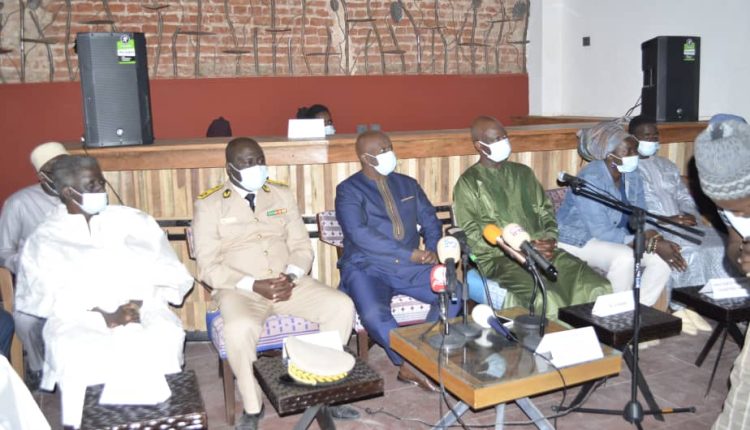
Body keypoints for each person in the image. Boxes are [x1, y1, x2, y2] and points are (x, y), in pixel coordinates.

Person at [14, 155, 194, 428]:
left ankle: (161, 419)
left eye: (101, 182)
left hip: (142, 307)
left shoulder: (134, 221)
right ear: (68, 192)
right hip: (77, 318)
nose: (101, 190)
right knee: (77, 351)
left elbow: (168, 269)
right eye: (92, 185)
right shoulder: (44, 239)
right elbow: (41, 297)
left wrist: (133, 305)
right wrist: (103, 314)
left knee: (163, 338)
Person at [192, 137, 357, 430]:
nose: (256, 166)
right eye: (247, 162)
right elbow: (208, 266)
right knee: (239, 328)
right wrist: (253, 285)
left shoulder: (280, 194)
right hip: (240, 290)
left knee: (341, 306)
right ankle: (253, 407)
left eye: (259, 160)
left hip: (288, 283)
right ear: (230, 168)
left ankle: (324, 391)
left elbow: (301, 247)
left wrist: (291, 276)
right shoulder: (210, 204)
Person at [336, 131, 459, 392]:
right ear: (365, 158)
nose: (389, 153)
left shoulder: (408, 184)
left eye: (389, 147)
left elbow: (430, 220)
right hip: (366, 266)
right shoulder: (348, 190)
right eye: (382, 150)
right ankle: (408, 363)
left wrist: (433, 250)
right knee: (374, 315)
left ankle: (421, 356)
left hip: (408, 267)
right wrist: (410, 254)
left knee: (454, 292)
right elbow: (359, 233)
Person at [453, 116, 611, 318]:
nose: (503, 142)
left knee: (598, 286)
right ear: (479, 146)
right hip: (501, 259)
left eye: (504, 137)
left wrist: (550, 239)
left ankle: (594, 337)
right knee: (547, 299)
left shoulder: (523, 173)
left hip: (544, 252)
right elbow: (472, 236)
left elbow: (546, 211)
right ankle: (556, 339)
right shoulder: (468, 183)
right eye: (495, 139)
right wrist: (516, 249)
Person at [556, 121, 673, 306]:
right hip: (579, 239)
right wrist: (643, 242)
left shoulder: (632, 174)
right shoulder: (591, 178)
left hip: (613, 237)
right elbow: (600, 231)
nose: (635, 155)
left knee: (662, 260)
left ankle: (638, 310)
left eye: (635, 150)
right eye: (628, 151)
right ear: (610, 156)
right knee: (625, 257)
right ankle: (613, 314)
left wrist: (655, 238)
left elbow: (642, 213)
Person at [631, 115, 735, 291]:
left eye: (655, 136)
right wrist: (667, 220)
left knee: (725, 244)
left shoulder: (667, 165)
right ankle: (691, 299)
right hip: (657, 229)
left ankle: (727, 299)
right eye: (647, 136)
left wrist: (688, 215)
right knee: (696, 252)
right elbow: (633, 210)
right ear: (633, 138)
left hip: (685, 225)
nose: (652, 140)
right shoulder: (628, 170)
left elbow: (683, 197)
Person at [693, 119, 750, 430]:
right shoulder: (727, 199)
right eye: (729, 209)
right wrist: (741, 258)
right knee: (744, 381)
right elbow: (734, 242)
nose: (739, 215)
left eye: (744, 207)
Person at [0, 141, 69, 390]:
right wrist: (24, 261)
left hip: (79, 281)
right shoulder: (19, 203)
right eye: (54, 169)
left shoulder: (86, 196)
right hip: (37, 284)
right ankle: (38, 368)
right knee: (26, 322)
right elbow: (3, 251)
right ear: (42, 176)